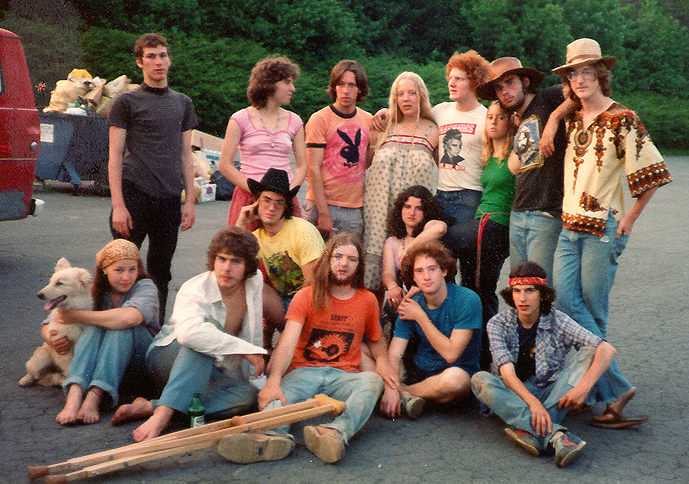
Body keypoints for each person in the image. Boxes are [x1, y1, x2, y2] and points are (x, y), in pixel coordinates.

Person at [551, 38, 672, 428]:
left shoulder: (624, 119)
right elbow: (561, 114)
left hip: (602, 228)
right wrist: (554, 119)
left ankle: (605, 395)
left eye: (586, 71)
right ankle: (612, 389)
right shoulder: (572, 119)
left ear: (601, 75)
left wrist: (630, 219)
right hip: (568, 227)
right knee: (568, 305)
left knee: (593, 312)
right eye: (572, 73)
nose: (579, 79)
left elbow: (652, 173)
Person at [218, 233, 397, 464]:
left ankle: (333, 433)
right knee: (276, 400)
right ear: (327, 259)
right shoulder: (306, 295)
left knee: (371, 381)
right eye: (338, 256)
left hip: (344, 377)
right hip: (303, 373)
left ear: (359, 265)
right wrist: (273, 382)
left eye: (351, 259)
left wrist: (386, 373)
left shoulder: (367, 300)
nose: (343, 263)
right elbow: (288, 340)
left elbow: (376, 341)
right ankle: (270, 438)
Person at [111, 227, 267, 441]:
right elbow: (190, 335)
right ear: (213, 259)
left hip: (209, 368)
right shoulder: (194, 288)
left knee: (247, 396)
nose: (227, 268)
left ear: (248, 266)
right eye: (221, 259)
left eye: (236, 261)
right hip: (165, 359)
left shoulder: (254, 281)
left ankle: (152, 406)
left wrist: (259, 375)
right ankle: (163, 414)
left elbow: (253, 330)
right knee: (204, 334)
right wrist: (245, 350)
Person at [471, 262, 618, 467]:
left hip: (550, 391)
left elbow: (607, 349)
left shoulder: (559, 320)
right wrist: (533, 404)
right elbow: (507, 374)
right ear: (510, 294)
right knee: (480, 380)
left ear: (542, 294)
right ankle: (556, 436)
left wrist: (584, 388)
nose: (522, 298)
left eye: (530, 291)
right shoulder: (497, 323)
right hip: (513, 393)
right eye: (517, 291)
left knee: (590, 351)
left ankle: (525, 428)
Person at [108, 33, 198, 325]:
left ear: (169, 59)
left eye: (162, 55)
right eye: (151, 56)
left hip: (169, 200)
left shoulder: (183, 103)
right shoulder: (127, 102)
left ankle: (153, 331)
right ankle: (116, 328)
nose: (158, 62)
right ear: (140, 62)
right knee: (122, 270)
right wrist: (119, 206)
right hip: (134, 196)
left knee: (161, 271)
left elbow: (186, 156)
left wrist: (190, 202)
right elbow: (115, 156)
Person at [475, 57, 573, 284]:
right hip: (518, 212)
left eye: (510, 83)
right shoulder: (519, 120)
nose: (504, 92)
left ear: (525, 81)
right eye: (499, 88)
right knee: (519, 286)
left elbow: (577, 91)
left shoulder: (547, 99)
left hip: (546, 212)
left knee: (540, 286)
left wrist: (555, 119)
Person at [373, 51, 491, 226]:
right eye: (451, 78)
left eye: (459, 79)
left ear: (475, 82)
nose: (451, 83)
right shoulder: (441, 111)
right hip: (439, 195)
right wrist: (387, 112)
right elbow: (413, 114)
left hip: (469, 195)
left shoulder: (486, 118)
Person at [51, 239, 159, 425]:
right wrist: (52, 339)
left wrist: (78, 316)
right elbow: (53, 319)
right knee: (94, 328)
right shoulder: (94, 290)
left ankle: (94, 396)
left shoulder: (145, 286)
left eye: (132, 269)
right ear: (104, 270)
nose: (126, 277)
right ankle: (75, 394)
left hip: (141, 363)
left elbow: (130, 318)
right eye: (119, 270)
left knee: (121, 327)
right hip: (107, 365)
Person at [442, 101, 517, 369]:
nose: (493, 122)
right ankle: (482, 359)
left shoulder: (513, 155)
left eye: (500, 118)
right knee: (480, 289)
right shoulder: (489, 155)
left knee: (440, 243)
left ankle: (481, 360)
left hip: (494, 225)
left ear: (511, 122)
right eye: (490, 117)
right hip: (483, 226)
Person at [380, 240, 482, 419]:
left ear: (444, 271)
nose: (426, 276)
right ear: (414, 278)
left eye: (432, 269)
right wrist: (390, 384)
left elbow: (451, 354)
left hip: (457, 373)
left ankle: (404, 394)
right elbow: (395, 354)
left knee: (453, 380)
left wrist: (420, 316)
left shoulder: (467, 299)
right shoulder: (412, 304)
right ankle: (415, 398)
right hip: (422, 373)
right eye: (419, 271)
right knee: (376, 359)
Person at [363, 72, 439, 291]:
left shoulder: (433, 129)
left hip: (413, 217)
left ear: (421, 96)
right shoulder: (383, 127)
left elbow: (443, 170)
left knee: (414, 273)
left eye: (412, 93)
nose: (406, 98)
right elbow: (364, 164)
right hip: (379, 214)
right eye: (400, 94)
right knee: (374, 279)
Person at [235, 168, 325, 346]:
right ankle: (256, 346)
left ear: (286, 207)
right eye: (266, 200)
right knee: (247, 284)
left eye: (278, 203)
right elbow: (229, 262)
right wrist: (241, 223)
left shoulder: (301, 230)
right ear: (256, 203)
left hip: (313, 307)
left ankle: (283, 342)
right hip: (283, 304)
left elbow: (314, 286)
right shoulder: (256, 237)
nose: (271, 207)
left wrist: (292, 328)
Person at [219, 56, 306, 227]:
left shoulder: (295, 121)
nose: (292, 88)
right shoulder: (240, 118)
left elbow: (303, 166)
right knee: (244, 249)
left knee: (285, 251)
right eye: (287, 82)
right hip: (249, 196)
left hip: (283, 198)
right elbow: (225, 164)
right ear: (270, 83)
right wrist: (256, 190)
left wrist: (289, 192)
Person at [303, 60, 373, 239]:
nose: (346, 90)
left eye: (352, 85)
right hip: (321, 204)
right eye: (341, 84)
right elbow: (313, 169)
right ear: (334, 87)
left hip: (353, 208)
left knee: (349, 262)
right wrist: (323, 213)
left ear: (359, 89)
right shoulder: (320, 119)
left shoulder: (367, 120)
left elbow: (366, 162)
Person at [382, 185, 447, 315]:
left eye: (418, 208)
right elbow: (387, 273)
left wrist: (409, 250)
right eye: (407, 207)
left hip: (432, 294)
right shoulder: (392, 242)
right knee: (391, 305)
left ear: (426, 211)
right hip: (410, 297)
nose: (412, 213)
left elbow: (440, 228)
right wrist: (392, 287)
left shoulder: (427, 232)